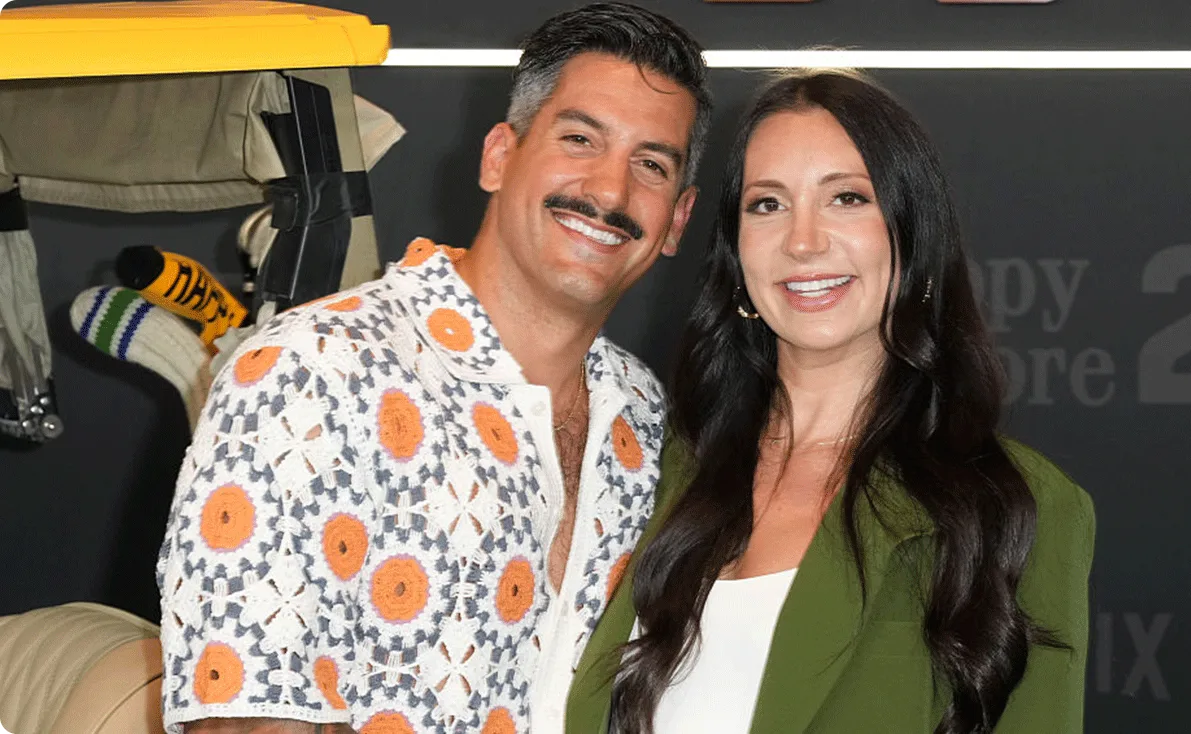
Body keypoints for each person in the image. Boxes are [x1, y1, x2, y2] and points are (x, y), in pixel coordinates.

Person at [154, 4, 711, 734]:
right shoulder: (312, 370)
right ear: (499, 157)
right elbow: (243, 718)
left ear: (676, 219)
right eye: (579, 139)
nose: (610, 192)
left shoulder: (644, 414)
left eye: (651, 164)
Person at [566, 70, 1095, 734]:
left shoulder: (1019, 506)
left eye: (847, 197)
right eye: (767, 204)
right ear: (736, 255)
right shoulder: (646, 465)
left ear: (915, 237)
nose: (804, 241)